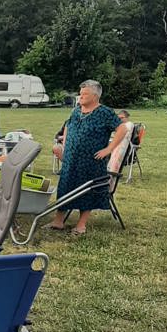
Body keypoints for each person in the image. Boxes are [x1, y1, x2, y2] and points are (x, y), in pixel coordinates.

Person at [46, 80, 128, 235]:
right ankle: (58, 221)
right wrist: (65, 146)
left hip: (91, 161)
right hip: (71, 158)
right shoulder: (76, 111)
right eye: (80, 93)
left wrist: (109, 149)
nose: (81, 96)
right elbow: (68, 127)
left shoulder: (104, 112)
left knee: (87, 191)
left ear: (95, 96)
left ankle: (81, 225)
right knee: (65, 187)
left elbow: (122, 129)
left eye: (85, 94)